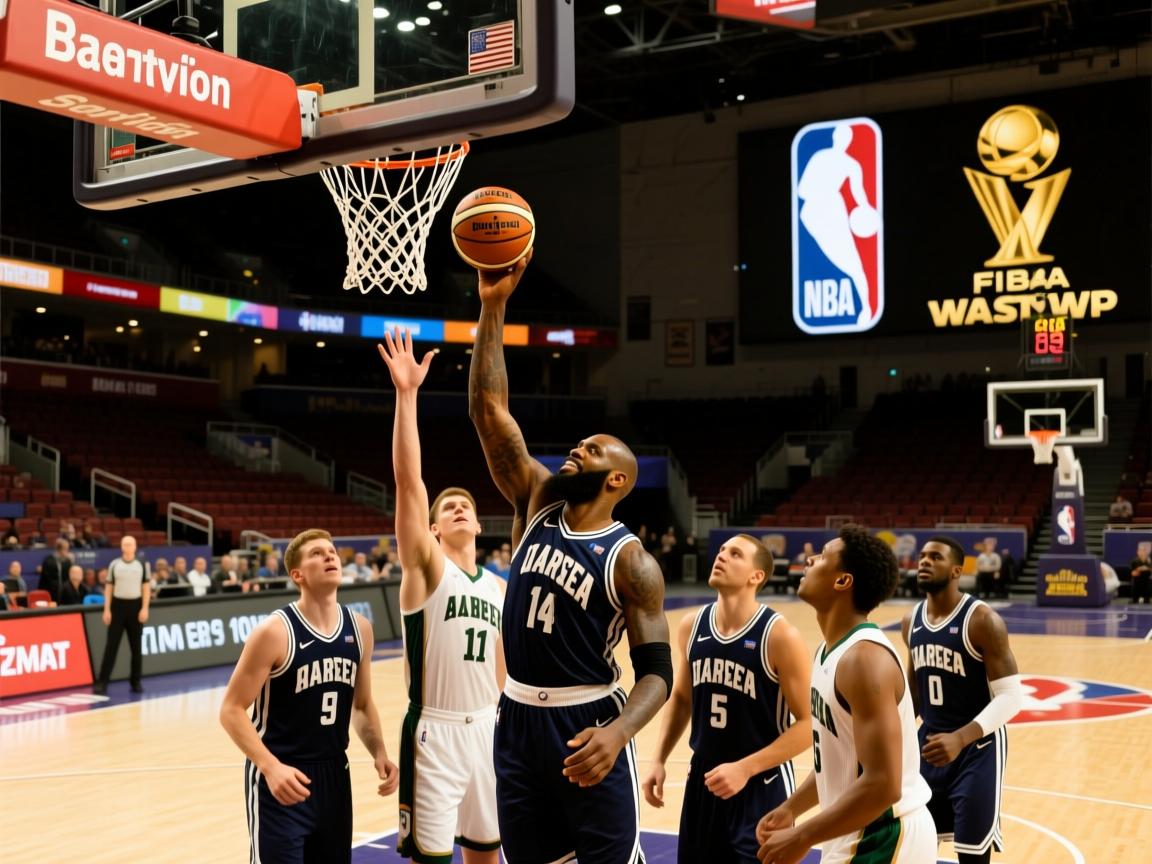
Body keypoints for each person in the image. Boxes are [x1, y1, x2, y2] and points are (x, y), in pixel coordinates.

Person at [467, 257, 671, 864]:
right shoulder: (537, 500)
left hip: (588, 720)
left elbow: (658, 674)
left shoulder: (631, 561)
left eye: (593, 449)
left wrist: (618, 733)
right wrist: (493, 306)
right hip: (518, 717)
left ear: (616, 480)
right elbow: (489, 412)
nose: (577, 448)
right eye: (580, 444)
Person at [379, 328, 506, 864]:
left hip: (489, 729)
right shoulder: (428, 572)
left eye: (465, 505)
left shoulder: (500, 586)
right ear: (429, 532)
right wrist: (407, 396)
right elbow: (410, 484)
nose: (457, 509)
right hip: (434, 731)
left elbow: (504, 669)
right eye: (446, 508)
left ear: (479, 524)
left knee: (487, 854)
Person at [755, 525, 936, 864]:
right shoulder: (829, 652)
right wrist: (792, 808)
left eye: (822, 557)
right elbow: (838, 759)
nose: (809, 559)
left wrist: (802, 836)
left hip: (884, 835)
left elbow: (884, 784)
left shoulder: (865, 660)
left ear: (842, 581)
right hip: (854, 831)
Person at [219, 528, 399, 863]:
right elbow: (230, 709)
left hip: (334, 776)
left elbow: (360, 705)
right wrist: (269, 767)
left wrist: (379, 751)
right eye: (317, 553)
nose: (329, 556)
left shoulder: (360, 628)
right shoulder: (274, 632)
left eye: (331, 551)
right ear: (297, 574)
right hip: (282, 778)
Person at [642, 534, 812, 863]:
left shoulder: (779, 636)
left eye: (735, 554)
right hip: (704, 777)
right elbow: (681, 697)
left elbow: (808, 725)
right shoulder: (692, 626)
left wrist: (745, 769)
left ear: (756, 576)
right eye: (721, 550)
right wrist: (659, 759)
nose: (721, 556)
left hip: (763, 781)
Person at [902, 536, 1023, 864]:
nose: (924, 561)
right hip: (929, 747)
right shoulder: (910, 621)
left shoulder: (982, 620)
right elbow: (914, 694)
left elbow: (1012, 697)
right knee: (918, 844)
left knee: (972, 852)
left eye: (935, 557)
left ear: (956, 570)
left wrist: (961, 737)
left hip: (977, 750)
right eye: (923, 556)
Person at [94, 535, 151, 695]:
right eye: (125, 544)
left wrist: (145, 608)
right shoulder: (115, 564)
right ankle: (102, 682)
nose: (127, 547)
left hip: (135, 606)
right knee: (111, 647)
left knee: (136, 648)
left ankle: (136, 682)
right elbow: (109, 588)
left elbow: (146, 588)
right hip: (117, 607)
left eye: (130, 544)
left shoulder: (141, 565)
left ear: (135, 546)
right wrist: (107, 609)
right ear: (121, 547)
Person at [38, 538, 72, 602]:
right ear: (60, 550)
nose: (68, 552)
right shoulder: (49, 561)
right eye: (67, 549)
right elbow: (48, 581)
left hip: (61, 594)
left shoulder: (67, 562)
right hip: (49, 593)